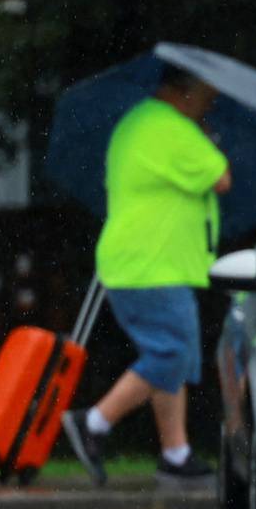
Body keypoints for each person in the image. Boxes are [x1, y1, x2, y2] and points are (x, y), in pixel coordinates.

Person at [62, 65, 231, 485]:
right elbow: (221, 178)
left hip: (145, 262)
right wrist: (207, 141)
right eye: (206, 99)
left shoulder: (139, 123)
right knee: (171, 353)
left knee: (175, 356)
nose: (208, 107)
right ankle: (94, 422)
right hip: (152, 265)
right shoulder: (171, 128)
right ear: (183, 94)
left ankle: (176, 454)